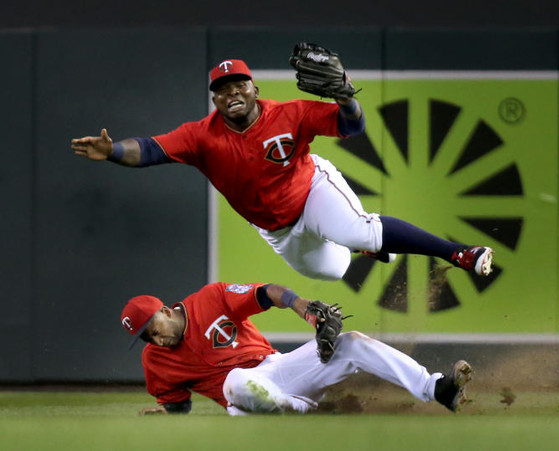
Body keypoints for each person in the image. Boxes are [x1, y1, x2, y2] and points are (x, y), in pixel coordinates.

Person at [73, 57, 493, 281]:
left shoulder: (289, 113)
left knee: (356, 230)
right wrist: (112, 151)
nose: (231, 91)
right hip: (276, 229)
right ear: (215, 101)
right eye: (221, 89)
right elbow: (147, 150)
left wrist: (347, 97)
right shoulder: (200, 136)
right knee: (331, 270)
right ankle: (364, 247)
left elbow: (353, 125)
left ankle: (457, 253)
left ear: (255, 89)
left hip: (310, 190)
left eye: (239, 84)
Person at [120, 280, 472, 415]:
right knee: (235, 384)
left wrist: (301, 306)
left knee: (351, 343)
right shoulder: (155, 361)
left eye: (153, 328)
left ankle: (435, 387)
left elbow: (266, 292)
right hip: (243, 401)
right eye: (146, 337)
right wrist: (167, 414)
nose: (155, 339)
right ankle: (303, 411)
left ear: (165, 311)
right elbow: (178, 404)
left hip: (278, 368)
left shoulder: (210, 299)